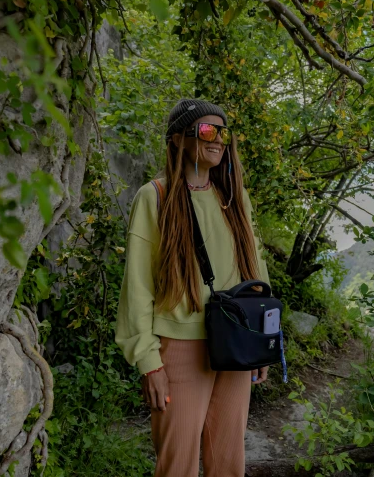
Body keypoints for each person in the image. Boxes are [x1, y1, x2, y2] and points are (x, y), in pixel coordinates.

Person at [115, 98, 271, 477]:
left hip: (236, 341)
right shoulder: (156, 197)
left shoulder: (233, 199)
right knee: (177, 464)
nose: (218, 139)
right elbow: (136, 287)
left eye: (223, 132)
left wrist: (264, 338)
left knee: (228, 461)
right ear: (178, 139)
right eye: (206, 130)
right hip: (181, 347)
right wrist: (150, 364)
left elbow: (257, 272)